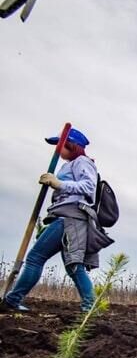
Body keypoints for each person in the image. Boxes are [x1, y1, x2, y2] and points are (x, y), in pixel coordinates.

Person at [2, 127, 110, 313]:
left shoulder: (82, 162)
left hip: (70, 218)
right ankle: (90, 307)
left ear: (71, 145)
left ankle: (13, 299)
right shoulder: (68, 165)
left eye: (60, 145)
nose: (57, 150)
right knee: (73, 266)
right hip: (66, 218)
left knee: (35, 258)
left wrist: (59, 184)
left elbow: (89, 187)